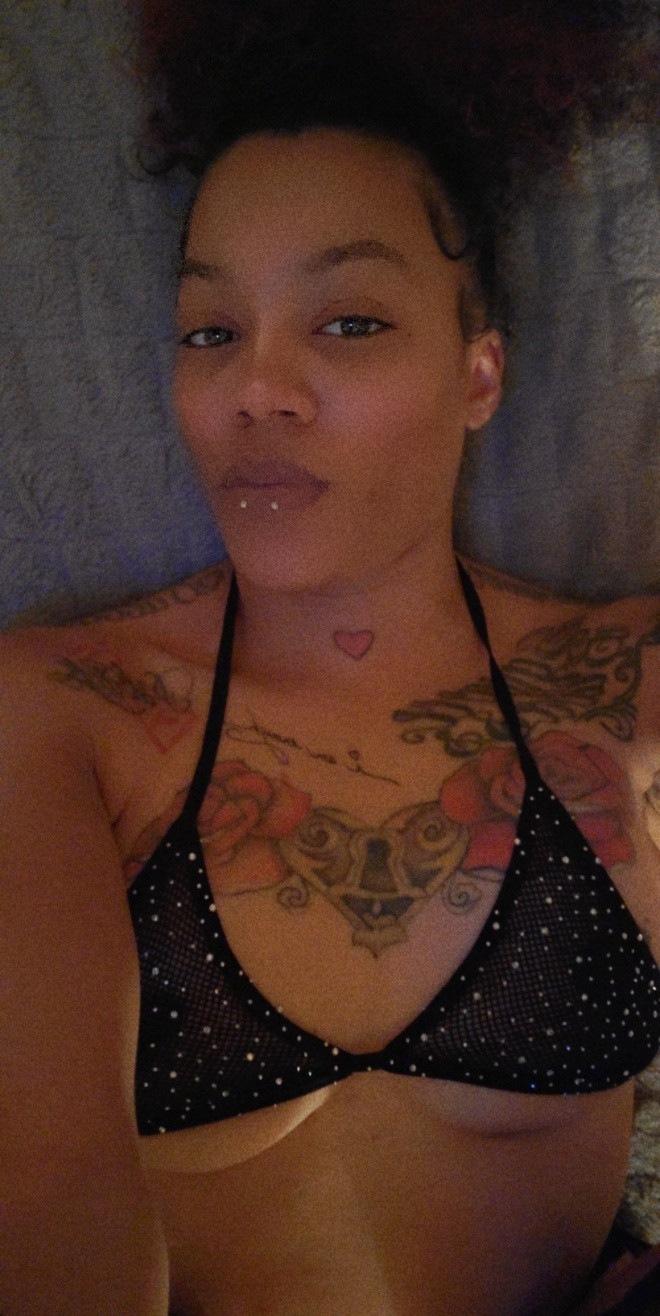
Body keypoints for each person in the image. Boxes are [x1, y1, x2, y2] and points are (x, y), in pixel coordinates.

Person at [2, 2, 658, 1312]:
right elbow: (49, 1191)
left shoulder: (626, 683)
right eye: (211, 331)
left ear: (480, 374)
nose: (257, 388)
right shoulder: (63, 710)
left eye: (348, 322)